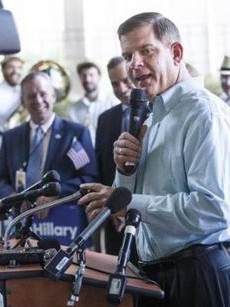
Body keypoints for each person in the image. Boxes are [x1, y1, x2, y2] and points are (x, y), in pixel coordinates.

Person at [79, 12, 230, 306]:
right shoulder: (152, 116)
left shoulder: (204, 115)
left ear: (176, 53)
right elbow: (136, 201)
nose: (134, 64)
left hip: (197, 276)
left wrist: (127, 201)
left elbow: (214, 209)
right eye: (128, 55)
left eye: (146, 51)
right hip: (152, 275)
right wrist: (126, 170)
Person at [0, 72, 98, 245]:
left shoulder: (76, 133)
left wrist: (56, 195)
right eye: (31, 96)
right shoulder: (10, 137)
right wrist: (14, 199)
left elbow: (90, 178)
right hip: (21, 229)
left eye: (43, 94)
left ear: (53, 96)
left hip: (66, 229)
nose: (38, 100)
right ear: (23, 100)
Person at [95, 56, 135, 255]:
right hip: (112, 218)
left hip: (145, 218)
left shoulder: (156, 113)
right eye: (114, 84)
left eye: (125, 80)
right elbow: (101, 167)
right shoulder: (105, 119)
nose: (121, 88)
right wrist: (111, 208)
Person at [67, 61, 119, 144]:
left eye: (91, 75)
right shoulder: (73, 109)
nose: (87, 79)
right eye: (83, 76)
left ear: (99, 76)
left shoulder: (113, 103)